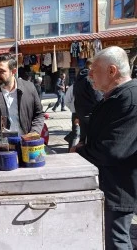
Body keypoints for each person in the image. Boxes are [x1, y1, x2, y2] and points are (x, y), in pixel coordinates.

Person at [71, 46, 137, 250]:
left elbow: (112, 149)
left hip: (119, 186)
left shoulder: (129, 99)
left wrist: (79, 153)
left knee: (116, 240)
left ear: (112, 71)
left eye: (95, 69)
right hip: (111, 183)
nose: (89, 75)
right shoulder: (115, 96)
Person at [73, 59, 103, 144]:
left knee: (83, 138)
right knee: (94, 139)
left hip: (81, 112)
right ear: (90, 66)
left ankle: (82, 153)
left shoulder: (78, 80)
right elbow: (97, 97)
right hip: (90, 113)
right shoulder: (89, 79)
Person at [64, 84, 80, 151]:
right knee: (76, 133)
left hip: (84, 114)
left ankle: (68, 138)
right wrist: (73, 109)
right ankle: (70, 152)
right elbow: (67, 101)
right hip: (77, 114)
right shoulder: (74, 87)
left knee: (77, 132)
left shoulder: (94, 84)